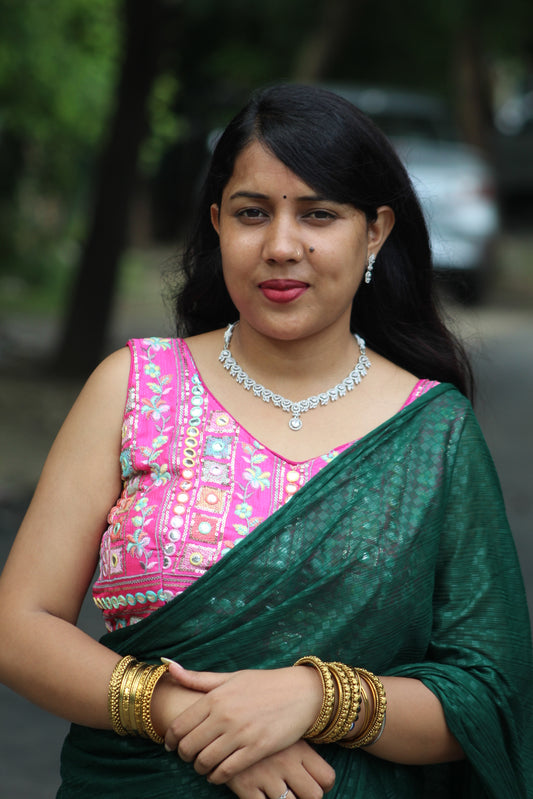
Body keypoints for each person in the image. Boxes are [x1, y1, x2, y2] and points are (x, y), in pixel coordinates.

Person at [0, 83, 531, 799]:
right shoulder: (134, 388)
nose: (281, 247)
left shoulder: (433, 432)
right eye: (252, 213)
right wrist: (186, 716)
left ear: (374, 231)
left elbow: (487, 692)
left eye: (318, 214)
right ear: (217, 223)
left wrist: (318, 699)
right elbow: (20, 625)